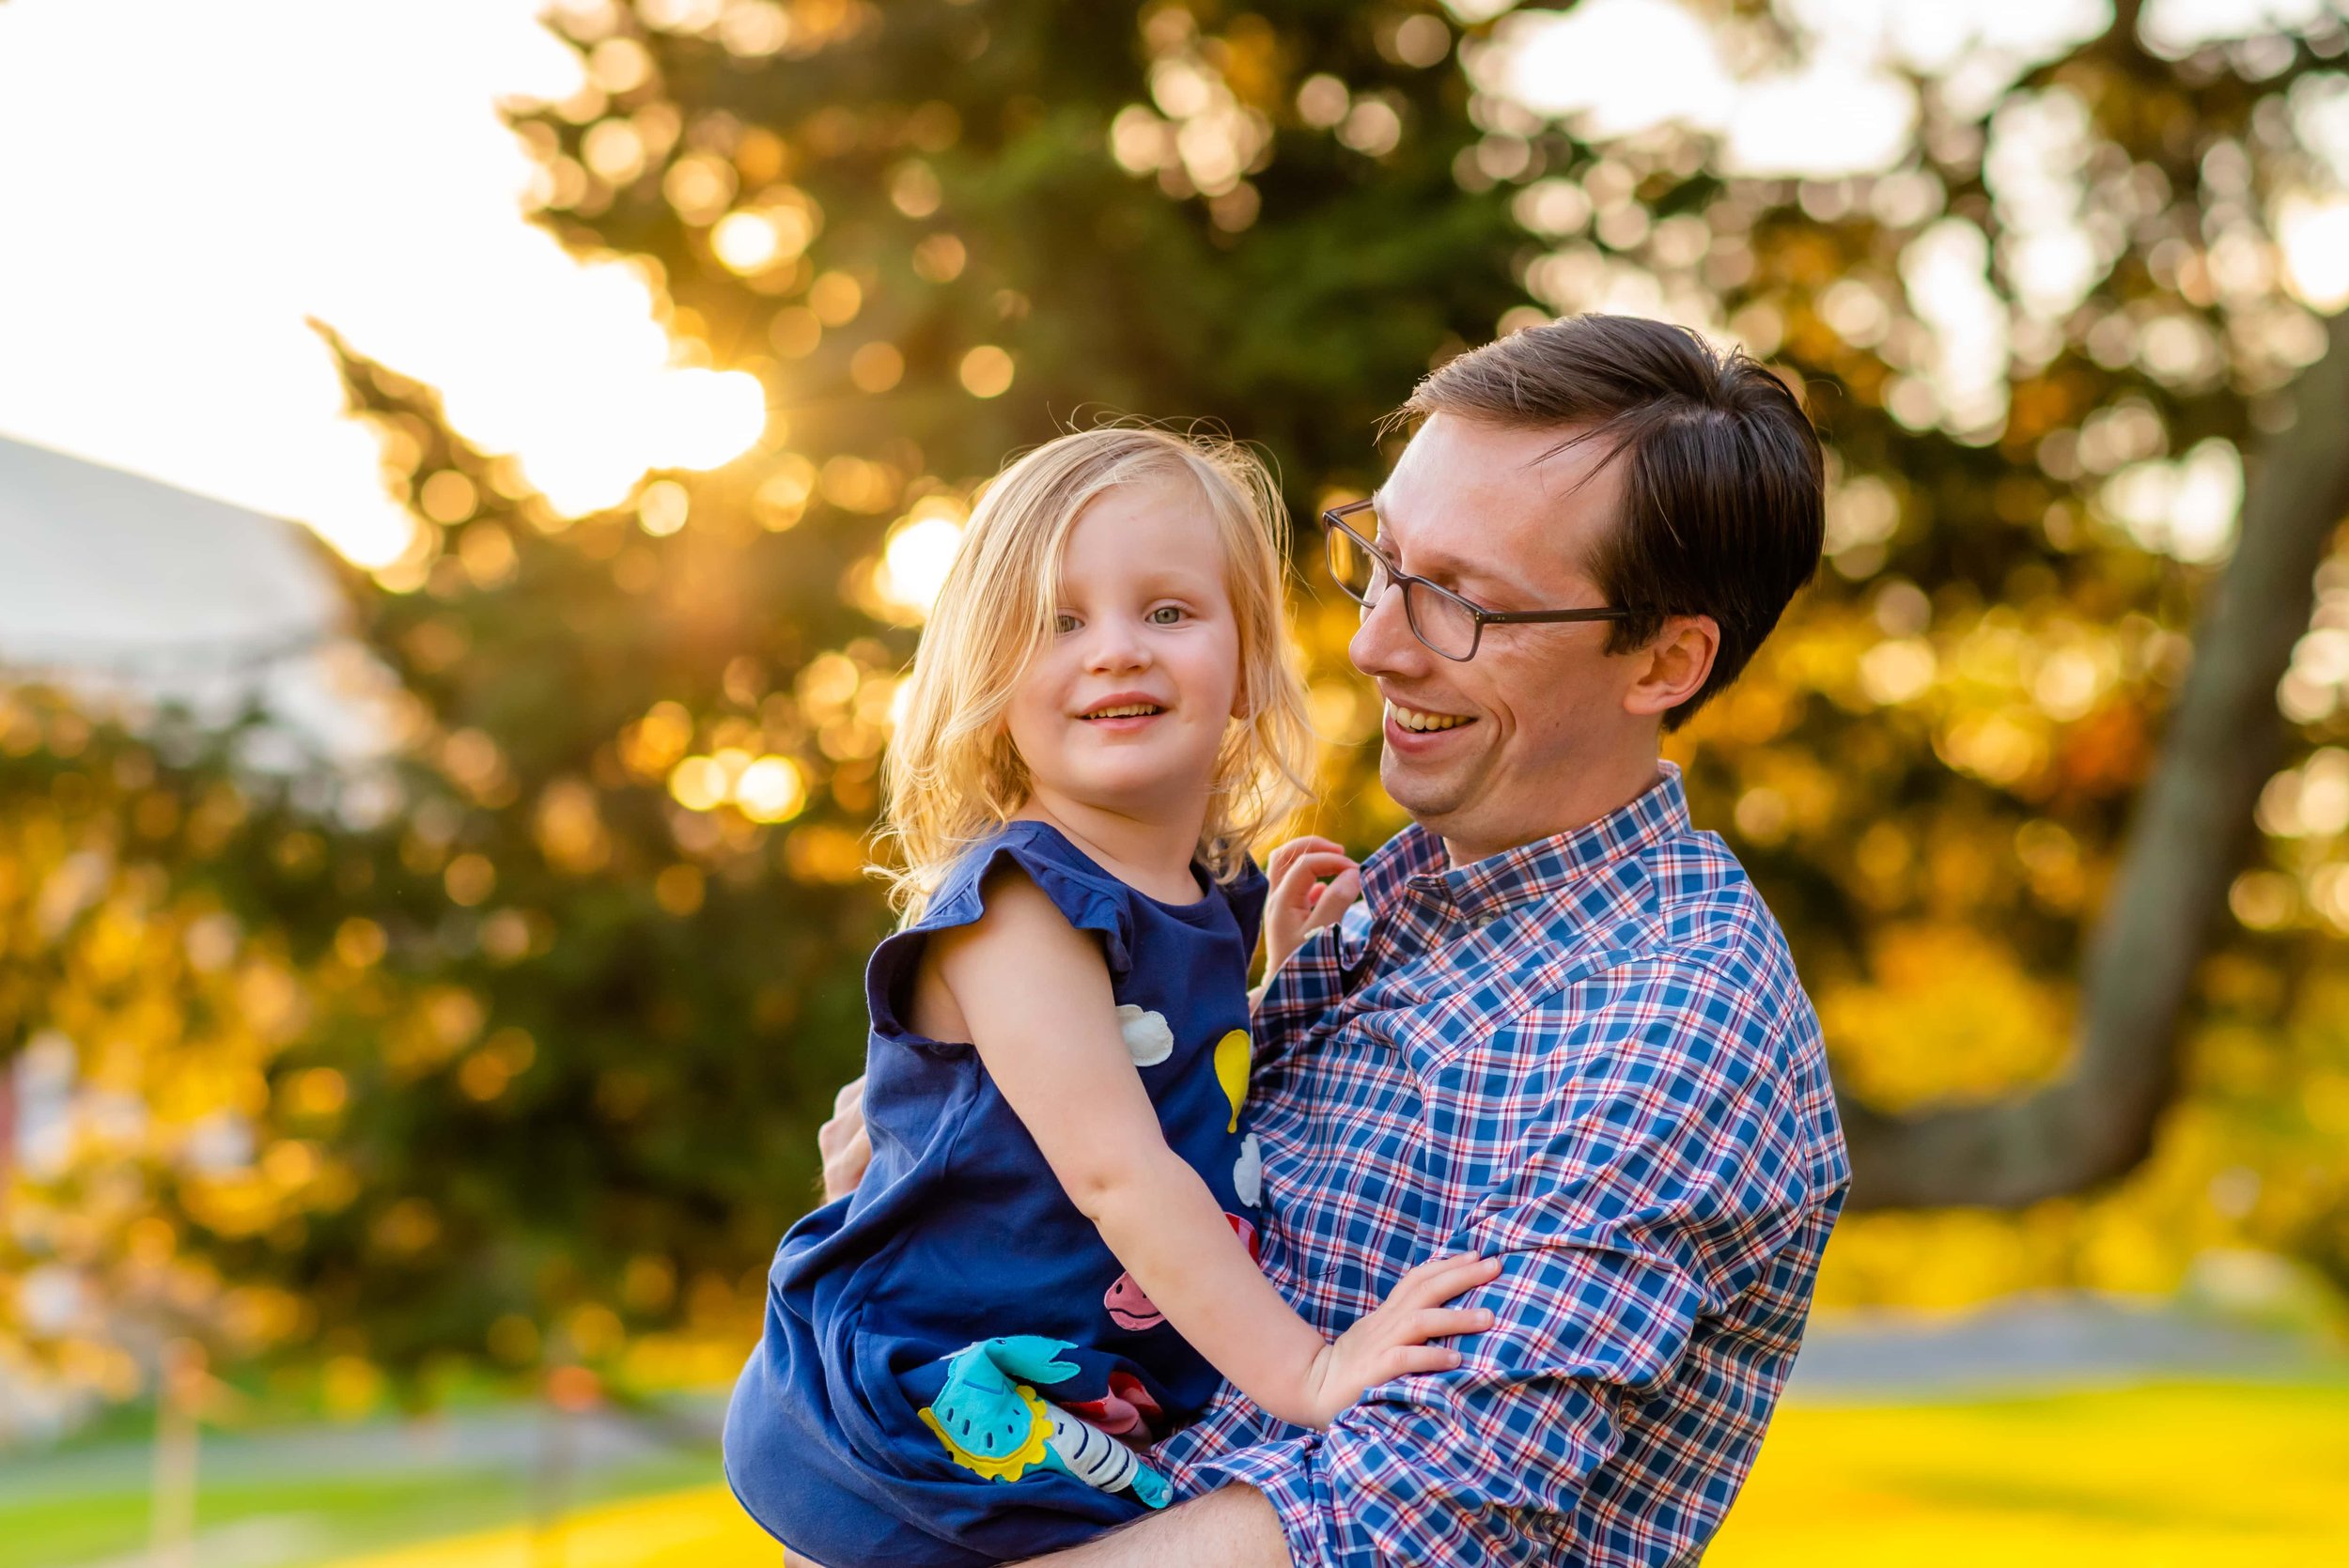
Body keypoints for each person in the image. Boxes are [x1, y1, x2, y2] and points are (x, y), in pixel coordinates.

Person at [817, 315, 1853, 1566]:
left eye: (1460, 602)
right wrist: (945, 1176)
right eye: (1382, 558)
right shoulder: (1366, 904)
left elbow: (1389, 1526)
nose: (1372, 642)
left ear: (1665, 660)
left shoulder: (1669, 1023)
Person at [723, 427, 1503, 1568]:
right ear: (988, 680)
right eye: (1059, 621)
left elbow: (1172, 1067)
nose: (1116, 652)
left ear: (1245, 657)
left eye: (1169, 612)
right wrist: (1310, 1371)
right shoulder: (1018, 906)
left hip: (1079, 1403)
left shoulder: (1204, 889)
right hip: (937, 1403)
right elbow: (1117, 1170)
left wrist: (1272, 977)